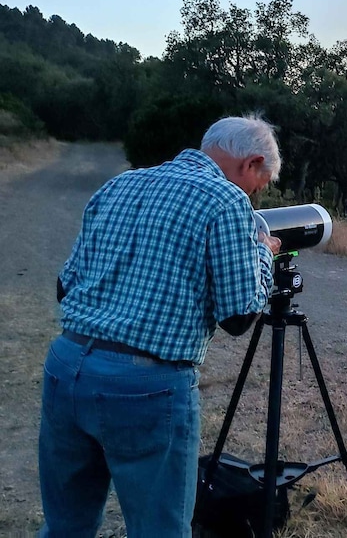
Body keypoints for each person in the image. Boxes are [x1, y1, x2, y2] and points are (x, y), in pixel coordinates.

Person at [38, 115, 284, 537]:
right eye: (256, 187)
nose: (252, 197)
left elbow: (66, 286)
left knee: (65, 527)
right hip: (144, 387)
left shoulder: (119, 184)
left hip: (66, 367)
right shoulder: (226, 201)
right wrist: (264, 253)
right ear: (251, 163)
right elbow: (239, 317)